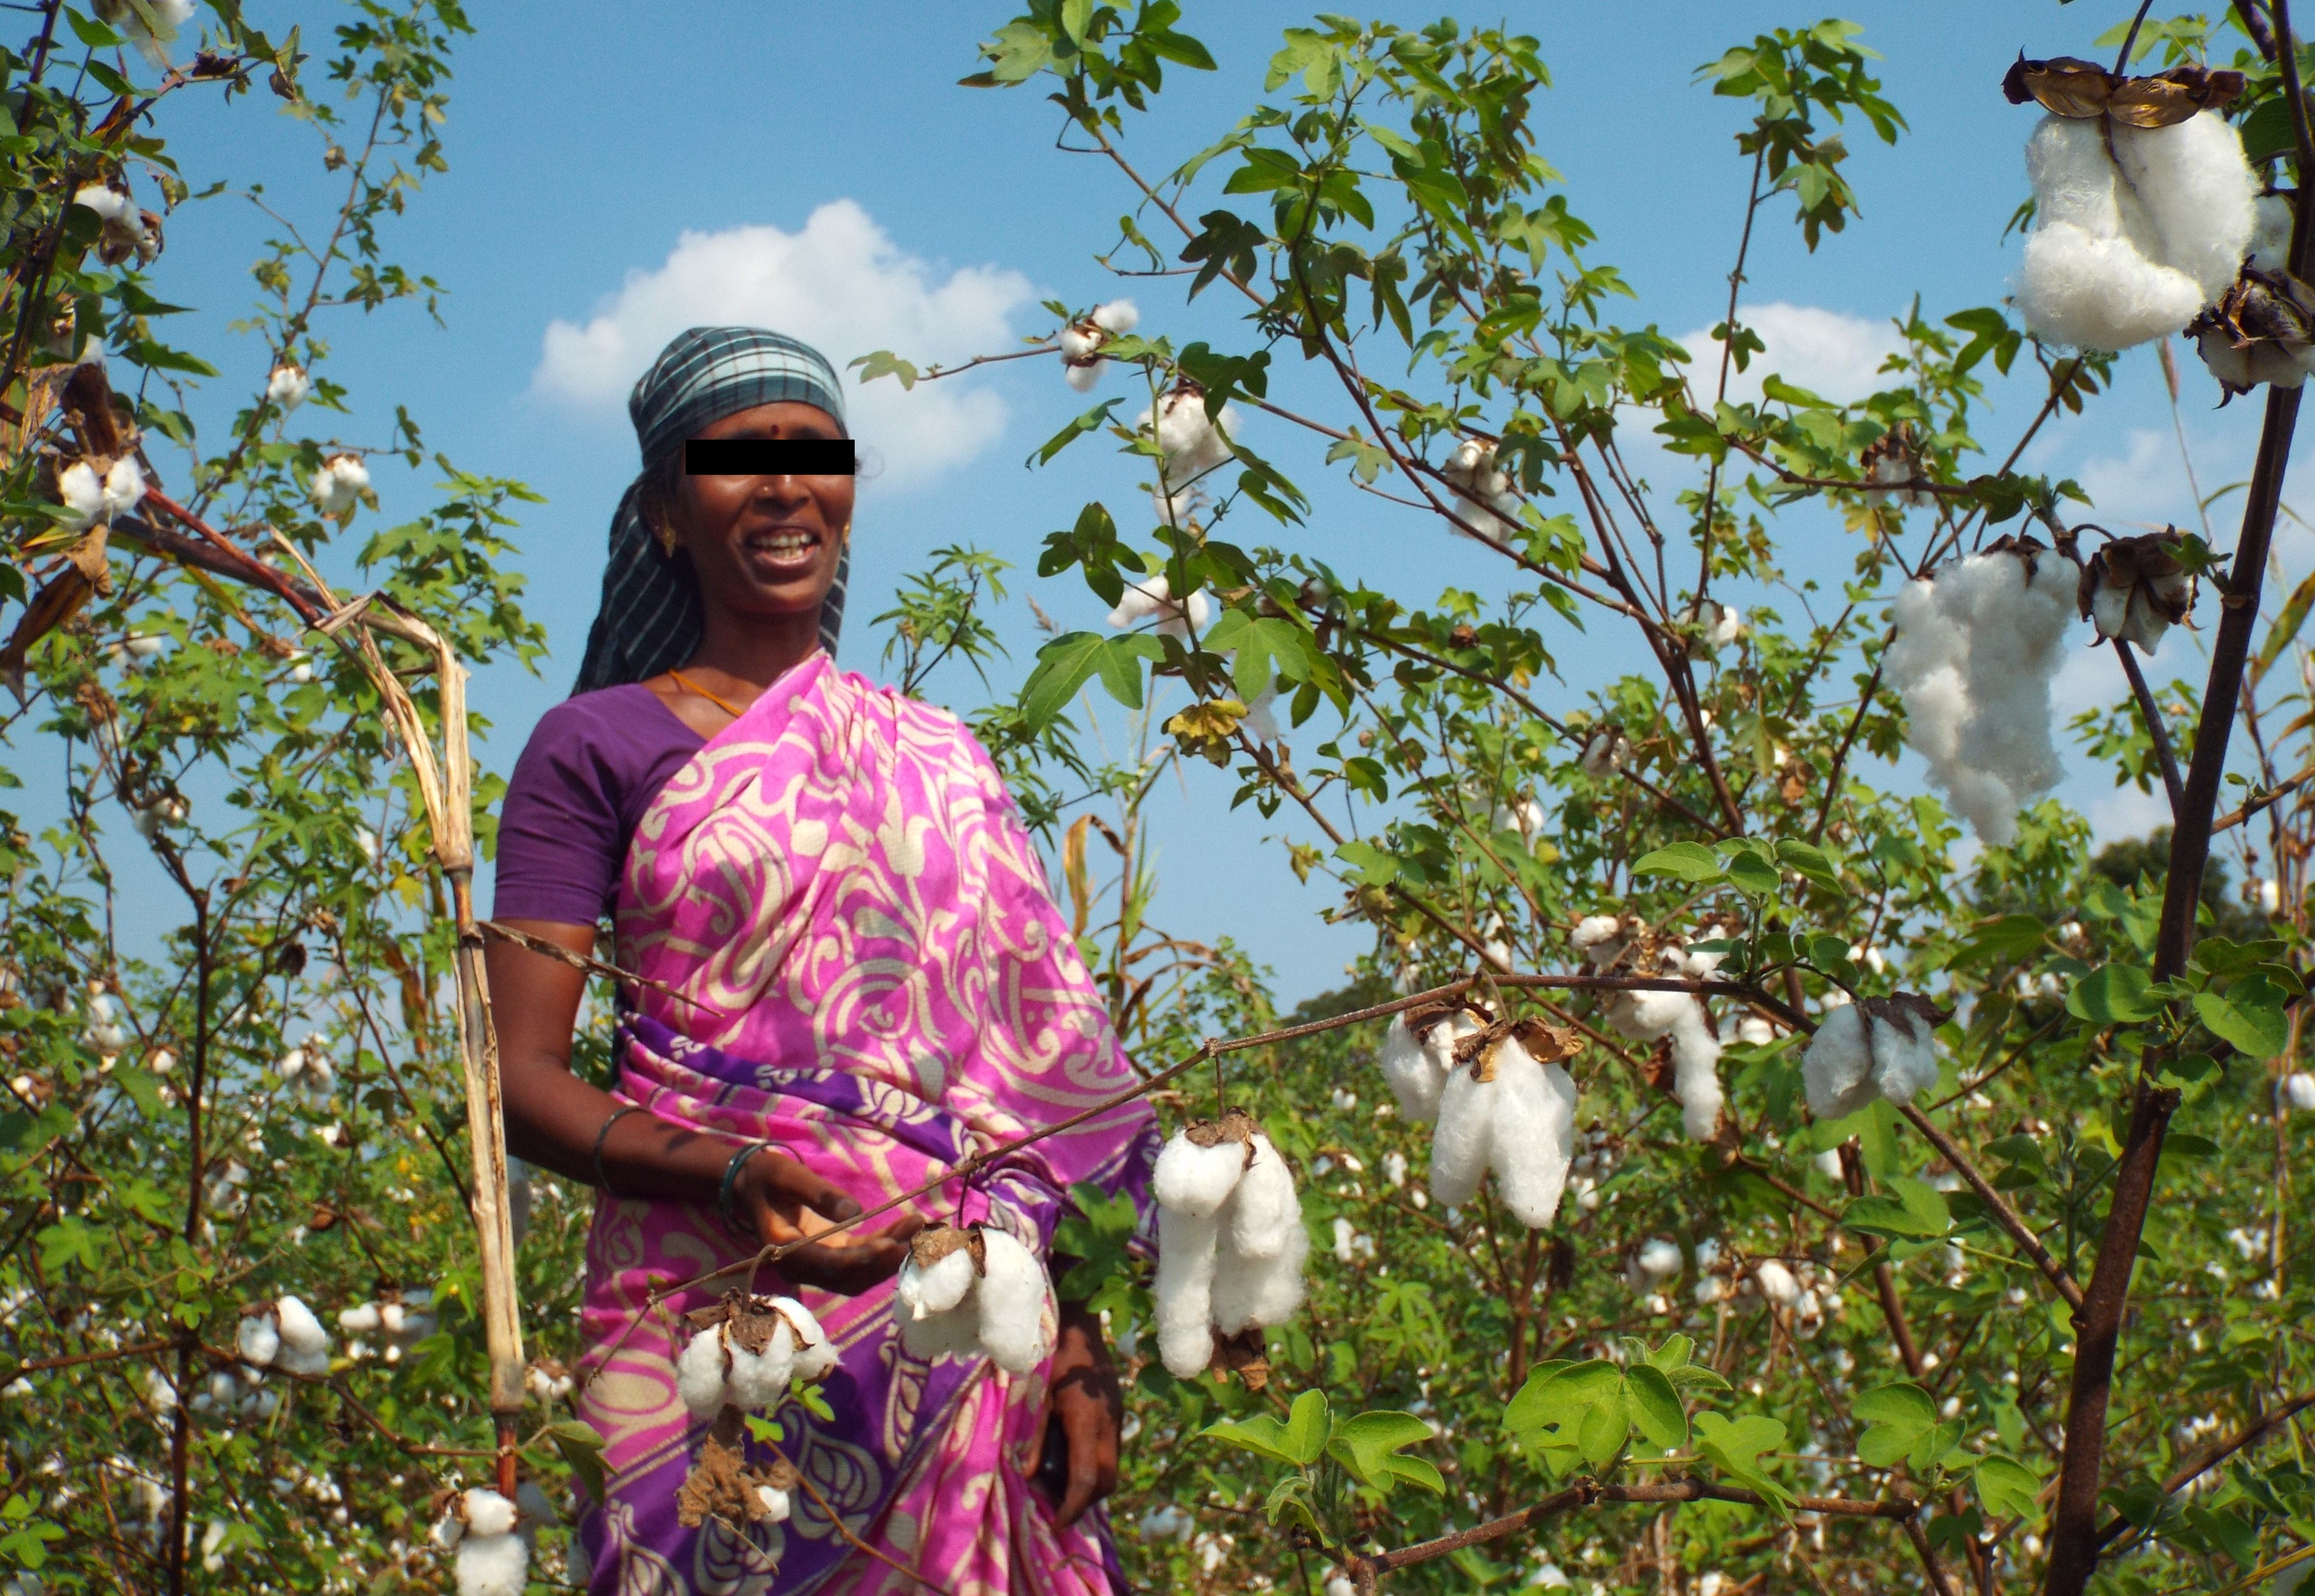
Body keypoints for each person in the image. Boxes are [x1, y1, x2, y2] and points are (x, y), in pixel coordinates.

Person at [486, 325, 1156, 1595]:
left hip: (960, 1316)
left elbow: (1015, 1096)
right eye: (737, 456)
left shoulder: (936, 756)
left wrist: (1070, 1344)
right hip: (705, 1315)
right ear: (665, 509)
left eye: (815, 452)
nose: (786, 482)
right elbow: (513, 1074)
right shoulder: (593, 749)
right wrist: (734, 1173)